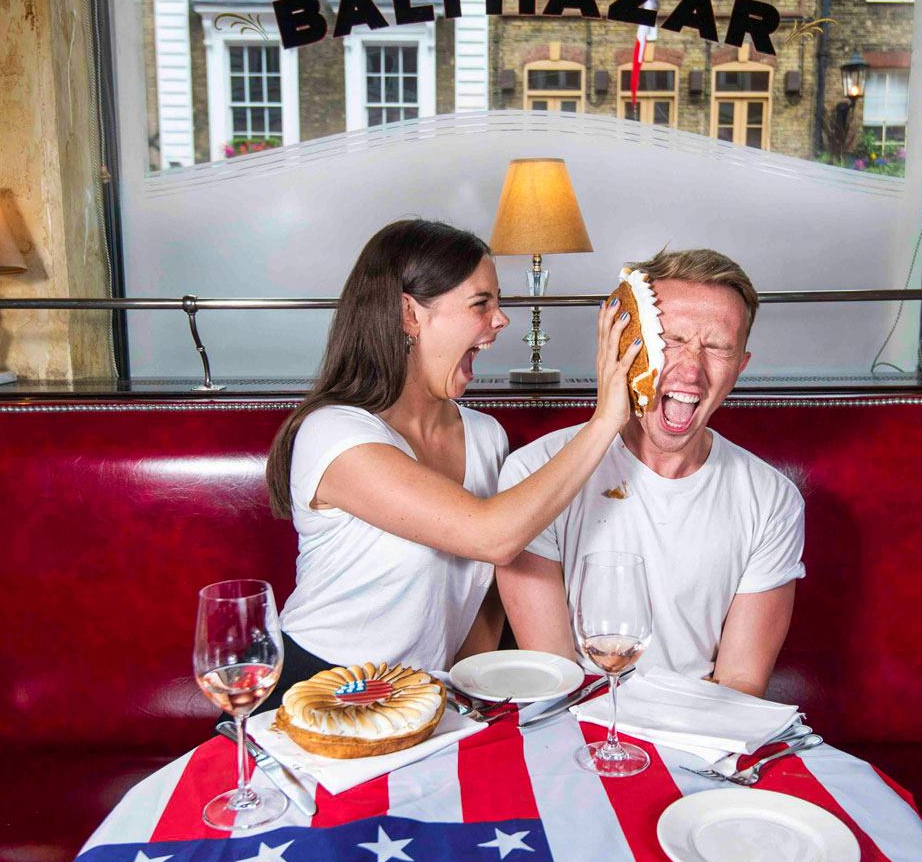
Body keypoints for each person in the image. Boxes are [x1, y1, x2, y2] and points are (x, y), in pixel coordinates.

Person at [263, 219, 642, 694]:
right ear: (409, 314)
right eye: (481, 303)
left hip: (419, 696)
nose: (500, 319)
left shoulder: (485, 436)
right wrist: (606, 420)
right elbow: (491, 536)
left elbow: (483, 593)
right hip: (315, 683)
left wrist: (468, 692)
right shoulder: (334, 432)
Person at [495, 249, 805, 697]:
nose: (692, 370)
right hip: (578, 725)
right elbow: (555, 675)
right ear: (627, 347)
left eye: (717, 347)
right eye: (671, 341)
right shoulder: (534, 473)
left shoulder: (771, 498)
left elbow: (741, 682)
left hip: (699, 731)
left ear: (740, 366)